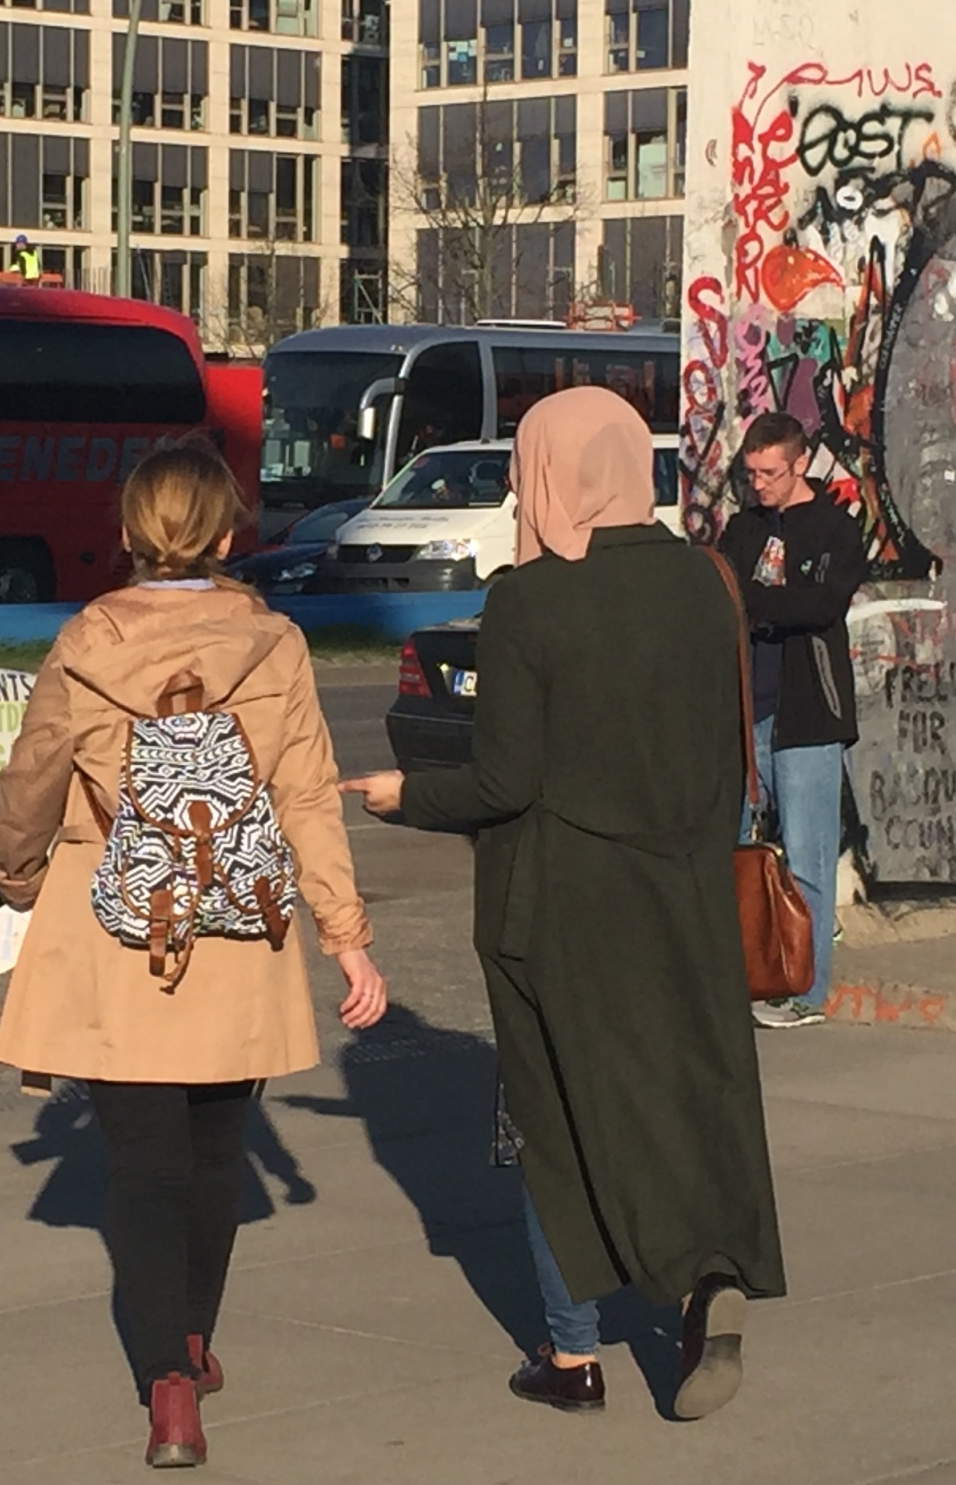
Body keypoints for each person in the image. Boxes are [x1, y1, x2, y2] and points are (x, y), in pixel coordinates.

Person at [344, 388, 783, 1423]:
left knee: (555, 1116)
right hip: (680, 890)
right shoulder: (702, 580)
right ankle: (705, 1271)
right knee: (678, 1096)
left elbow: (503, 782)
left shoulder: (532, 599)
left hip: (562, 900)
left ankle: (571, 1350)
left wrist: (407, 796)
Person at [0, 441, 388, 1468]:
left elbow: (34, 775)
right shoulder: (277, 645)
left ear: (126, 534)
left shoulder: (86, 639)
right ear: (225, 535)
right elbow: (307, 795)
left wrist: (19, 875)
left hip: (116, 927)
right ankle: (196, 1339)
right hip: (235, 926)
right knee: (215, 1154)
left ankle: (167, 1382)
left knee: (142, 1162)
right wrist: (343, 935)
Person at [719, 410, 867, 1029]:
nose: (761, 484)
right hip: (747, 709)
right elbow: (721, 592)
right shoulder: (741, 529)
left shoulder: (834, 528)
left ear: (800, 463)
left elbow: (822, 604)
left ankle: (807, 991)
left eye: (771, 473)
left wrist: (759, 604)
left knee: (808, 854)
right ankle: (746, 973)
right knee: (739, 848)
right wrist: (761, 607)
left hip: (809, 713)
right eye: (752, 473)